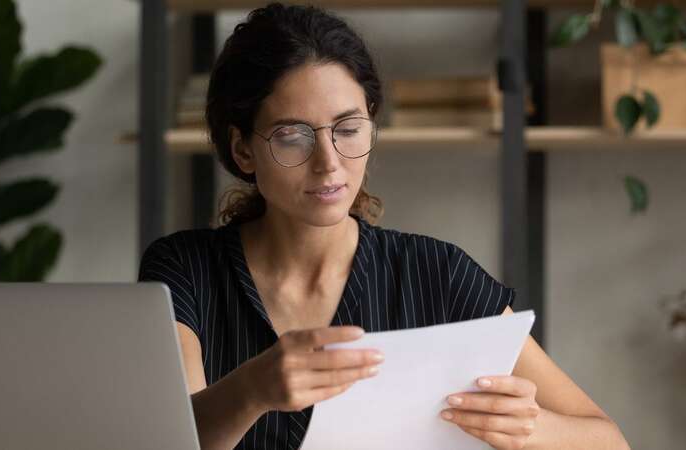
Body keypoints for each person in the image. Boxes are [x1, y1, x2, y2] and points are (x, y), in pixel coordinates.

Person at [138, 3, 629, 450]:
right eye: (292, 136)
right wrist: (250, 391)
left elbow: (609, 442)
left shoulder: (437, 273)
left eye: (348, 130)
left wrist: (531, 428)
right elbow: (165, 443)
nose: (329, 164)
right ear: (243, 149)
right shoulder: (184, 269)